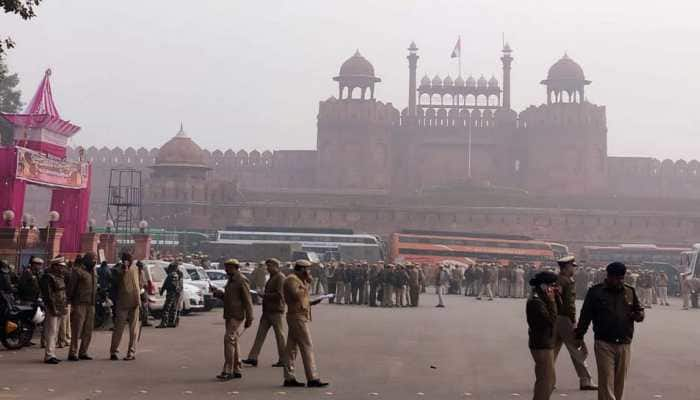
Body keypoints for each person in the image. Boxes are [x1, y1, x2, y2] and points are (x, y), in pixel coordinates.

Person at [575, 262, 644, 400]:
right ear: (609, 276)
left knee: (620, 382)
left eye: (621, 278)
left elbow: (639, 311)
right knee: (606, 380)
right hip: (604, 342)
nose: (619, 281)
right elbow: (585, 315)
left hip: (624, 342)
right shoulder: (595, 292)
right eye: (617, 278)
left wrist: (638, 315)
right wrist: (579, 335)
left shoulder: (629, 291)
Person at [281, 260, 329, 388]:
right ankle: (312, 378)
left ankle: (289, 377)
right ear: (302, 269)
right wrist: (307, 283)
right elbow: (296, 296)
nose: (309, 272)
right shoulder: (292, 280)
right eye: (308, 270)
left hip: (298, 315)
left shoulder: (298, 280)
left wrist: (312, 302)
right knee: (306, 346)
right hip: (296, 316)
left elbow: (302, 299)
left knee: (291, 348)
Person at [553, 256, 597, 391]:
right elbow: (568, 305)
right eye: (572, 266)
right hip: (565, 319)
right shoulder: (567, 281)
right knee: (576, 350)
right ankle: (585, 380)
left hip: (554, 318)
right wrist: (573, 321)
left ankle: (547, 379)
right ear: (566, 267)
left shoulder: (556, 280)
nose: (574, 269)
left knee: (551, 351)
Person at [211, 259, 254, 380]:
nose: (226, 270)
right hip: (230, 314)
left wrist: (250, 317)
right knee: (234, 340)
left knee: (228, 340)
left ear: (235, 268)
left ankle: (228, 369)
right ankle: (236, 368)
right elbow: (229, 298)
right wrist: (218, 293)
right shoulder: (231, 280)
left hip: (237, 314)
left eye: (228, 267)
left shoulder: (241, 280)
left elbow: (248, 301)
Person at [243, 258, 287, 367]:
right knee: (260, 335)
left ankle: (284, 359)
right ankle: (253, 357)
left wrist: (264, 295)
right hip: (267, 310)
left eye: (269, 266)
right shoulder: (273, 277)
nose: (267, 268)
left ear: (276, 266)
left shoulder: (280, 278)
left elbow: (280, 295)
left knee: (280, 336)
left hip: (276, 310)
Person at [527, 271, 559, 400]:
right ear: (543, 286)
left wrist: (553, 299)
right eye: (551, 285)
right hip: (541, 344)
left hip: (545, 342)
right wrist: (551, 302)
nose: (553, 288)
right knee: (546, 381)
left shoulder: (541, 298)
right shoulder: (537, 302)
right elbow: (550, 320)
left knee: (548, 379)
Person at [109, 252, 143, 361]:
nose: (130, 261)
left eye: (130, 259)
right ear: (123, 260)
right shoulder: (117, 270)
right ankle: (113, 351)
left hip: (135, 302)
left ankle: (131, 352)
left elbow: (141, 284)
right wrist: (124, 270)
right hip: (122, 302)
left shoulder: (136, 269)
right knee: (119, 328)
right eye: (127, 259)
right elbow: (114, 282)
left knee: (134, 329)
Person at [67, 252, 97, 361]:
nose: (94, 262)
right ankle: (73, 352)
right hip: (80, 303)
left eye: (95, 260)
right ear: (87, 260)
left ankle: (83, 351)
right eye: (93, 259)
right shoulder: (78, 271)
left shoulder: (93, 271)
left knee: (88, 330)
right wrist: (69, 301)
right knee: (77, 329)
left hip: (91, 304)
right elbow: (71, 287)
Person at [39, 257, 68, 364]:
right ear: (55, 266)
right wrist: (53, 308)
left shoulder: (60, 277)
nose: (62, 268)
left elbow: (63, 293)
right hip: (52, 307)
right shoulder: (48, 277)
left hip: (60, 307)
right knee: (51, 331)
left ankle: (52, 353)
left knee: (55, 331)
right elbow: (48, 295)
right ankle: (49, 355)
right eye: (60, 266)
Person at [157, 263, 183, 328]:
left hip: (171, 293)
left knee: (166, 308)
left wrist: (162, 291)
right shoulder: (177, 275)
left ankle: (164, 323)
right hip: (176, 294)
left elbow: (166, 284)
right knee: (173, 308)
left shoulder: (171, 275)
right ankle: (171, 322)